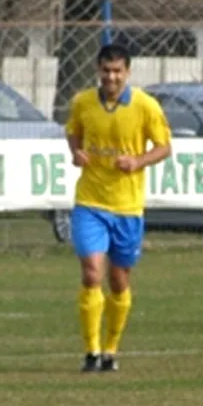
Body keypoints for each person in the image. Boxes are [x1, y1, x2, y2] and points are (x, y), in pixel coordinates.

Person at [66, 44, 172, 372]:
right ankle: (91, 351)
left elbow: (165, 147)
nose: (111, 77)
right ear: (98, 70)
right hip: (90, 202)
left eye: (117, 71)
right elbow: (73, 133)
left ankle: (111, 348)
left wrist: (138, 160)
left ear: (127, 72)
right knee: (91, 271)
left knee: (118, 279)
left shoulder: (145, 105)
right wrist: (76, 153)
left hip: (127, 207)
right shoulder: (82, 102)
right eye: (106, 70)